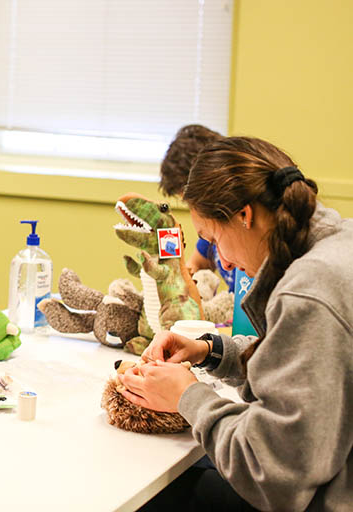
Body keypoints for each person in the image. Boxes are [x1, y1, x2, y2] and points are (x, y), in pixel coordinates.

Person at [121, 136, 353, 511]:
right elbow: (307, 364)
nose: (223, 263)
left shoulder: (309, 291)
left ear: (244, 216)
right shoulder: (340, 244)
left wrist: (187, 396)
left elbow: (271, 474)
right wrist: (211, 350)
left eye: (213, 239)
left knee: (154, 492)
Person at [159, 124, 234, 289]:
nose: (194, 211)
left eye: (191, 201)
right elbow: (194, 266)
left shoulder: (240, 226)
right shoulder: (211, 232)